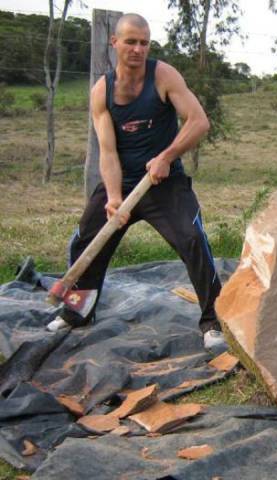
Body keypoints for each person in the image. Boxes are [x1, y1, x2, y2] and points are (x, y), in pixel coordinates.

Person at [47, 13, 224, 352]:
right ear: (115, 43)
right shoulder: (102, 91)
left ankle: (213, 321)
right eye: (130, 41)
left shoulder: (163, 75)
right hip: (123, 181)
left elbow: (199, 121)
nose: (138, 49)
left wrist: (166, 156)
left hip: (164, 182)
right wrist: (113, 197)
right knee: (84, 241)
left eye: (144, 42)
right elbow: (108, 151)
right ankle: (78, 313)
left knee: (192, 239)